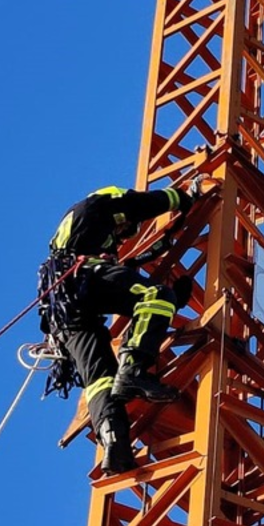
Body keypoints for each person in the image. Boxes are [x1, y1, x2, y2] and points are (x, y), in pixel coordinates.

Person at [38, 184, 196, 475]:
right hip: (79, 282)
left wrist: (178, 296)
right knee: (155, 298)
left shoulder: (82, 233)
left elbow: (127, 272)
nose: (123, 236)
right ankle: (133, 370)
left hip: (65, 313)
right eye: (125, 230)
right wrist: (180, 197)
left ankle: (114, 442)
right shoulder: (98, 205)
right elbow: (139, 204)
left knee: (99, 379)